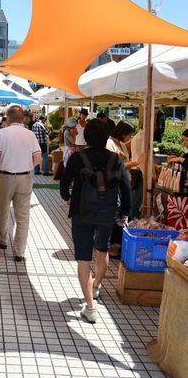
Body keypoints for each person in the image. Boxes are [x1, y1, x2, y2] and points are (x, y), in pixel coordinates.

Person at [60, 119, 131, 324]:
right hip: (107, 213)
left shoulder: (77, 157)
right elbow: (125, 188)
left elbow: (65, 182)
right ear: (106, 136)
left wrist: (67, 198)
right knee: (103, 249)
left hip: (82, 212)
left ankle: (90, 307)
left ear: (87, 137)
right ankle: (97, 285)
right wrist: (124, 213)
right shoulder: (115, 159)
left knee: (83, 259)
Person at [0, 105, 42, 261]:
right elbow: (38, 158)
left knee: (2, 209)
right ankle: (19, 251)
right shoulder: (30, 134)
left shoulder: (1, 133)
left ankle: (1, 240)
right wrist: (26, 166)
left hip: (5, 177)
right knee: (23, 216)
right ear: (23, 118)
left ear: (7, 118)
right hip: (25, 177)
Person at [106, 120, 139, 257]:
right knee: (116, 216)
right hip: (114, 185)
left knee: (122, 215)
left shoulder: (122, 145)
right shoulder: (109, 143)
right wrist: (131, 163)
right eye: (130, 134)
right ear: (123, 132)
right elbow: (111, 167)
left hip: (124, 184)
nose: (130, 138)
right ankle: (112, 246)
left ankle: (117, 246)